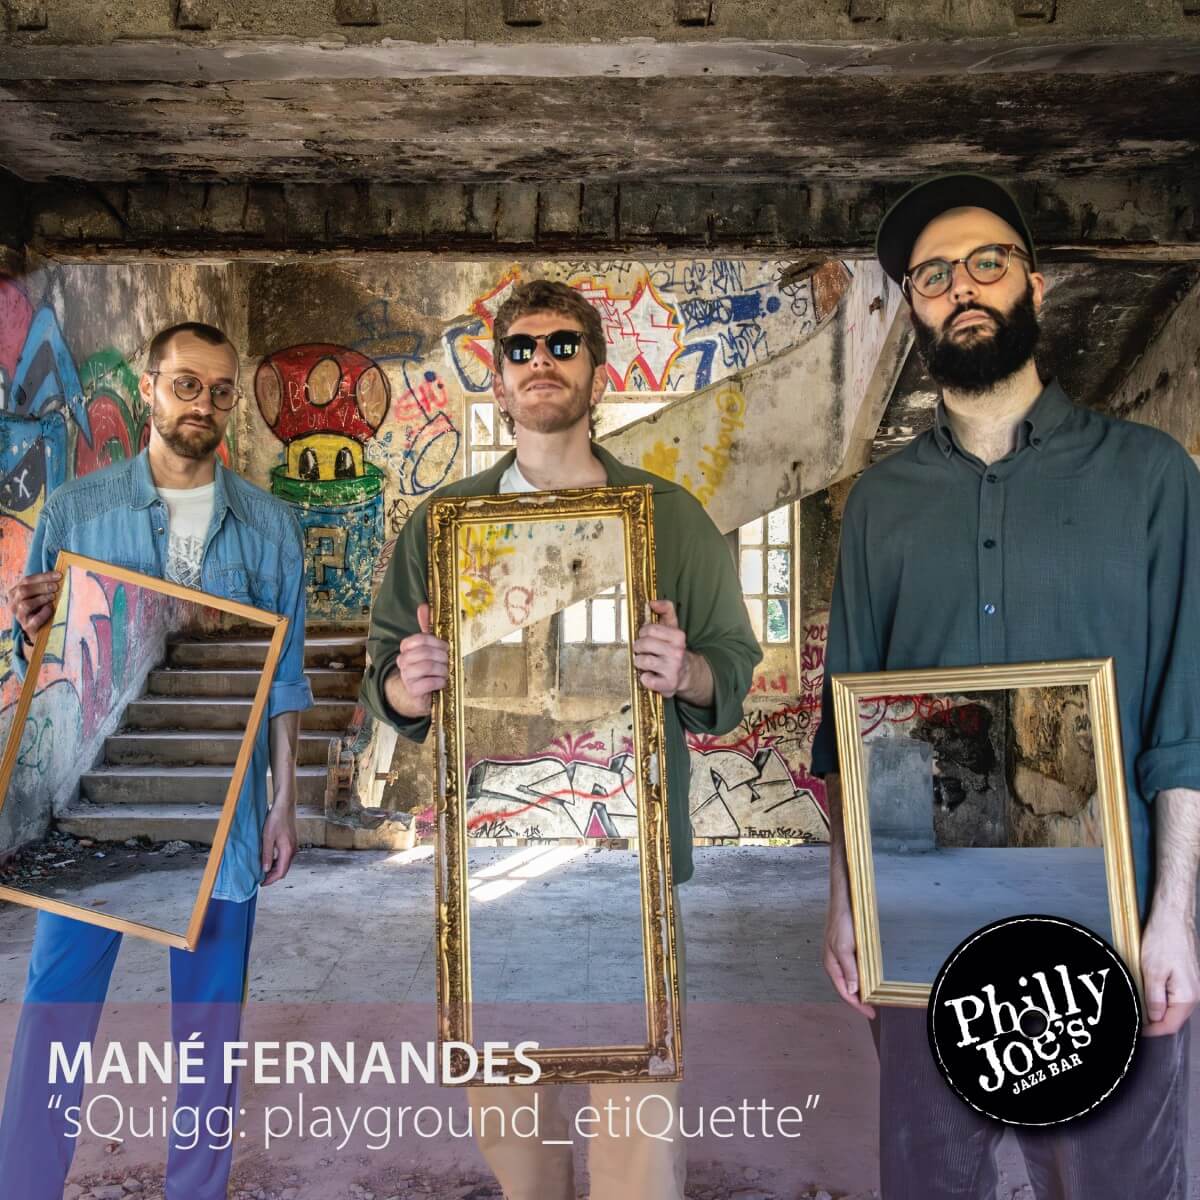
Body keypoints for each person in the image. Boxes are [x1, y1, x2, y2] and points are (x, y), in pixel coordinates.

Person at [811, 173, 1200, 1198]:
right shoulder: (881, 504)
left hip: (1110, 917)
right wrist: (847, 900)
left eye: (987, 262)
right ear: (914, 307)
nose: (962, 287)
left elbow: (1186, 717)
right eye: (933, 275)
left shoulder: (1152, 476)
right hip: (922, 912)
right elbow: (851, 722)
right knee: (932, 1177)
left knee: (1117, 1181)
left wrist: (1177, 915)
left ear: (1036, 283)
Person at [360, 279, 761, 1200]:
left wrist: (686, 673)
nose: (541, 360)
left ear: (598, 374)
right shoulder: (443, 525)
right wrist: (409, 683)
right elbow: (386, 677)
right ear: (498, 380)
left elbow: (731, 673)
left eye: (563, 344)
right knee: (518, 1149)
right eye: (521, 348)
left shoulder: (667, 519)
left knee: (637, 1146)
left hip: (632, 867)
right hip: (488, 865)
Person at [0, 322, 313, 1199]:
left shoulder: (271, 527)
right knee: (55, 1013)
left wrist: (284, 801)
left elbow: (284, 679)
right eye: (185, 384)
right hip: (94, 808)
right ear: (148, 388)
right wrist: (31, 630)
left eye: (219, 391)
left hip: (227, 814)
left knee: (210, 1036)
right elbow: (40, 666)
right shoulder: (76, 512)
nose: (202, 405)